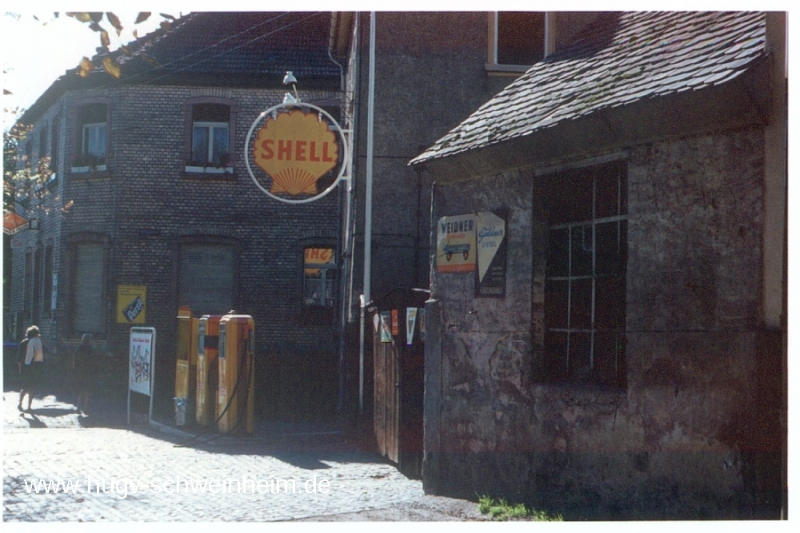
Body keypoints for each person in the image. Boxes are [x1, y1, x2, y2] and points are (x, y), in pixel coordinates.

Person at [18, 325, 44, 412]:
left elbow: (19, 358)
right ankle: (29, 406)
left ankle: (20, 403)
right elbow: (40, 356)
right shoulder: (38, 342)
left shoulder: (23, 343)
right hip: (34, 368)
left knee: (25, 387)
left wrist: (20, 369)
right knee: (32, 388)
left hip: (26, 368)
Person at [72, 334, 94, 413]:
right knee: (88, 391)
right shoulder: (91, 350)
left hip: (80, 372)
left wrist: (75, 371)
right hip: (88, 372)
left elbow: (75, 362)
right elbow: (93, 362)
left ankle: (78, 408)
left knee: (80, 391)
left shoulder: (78, 349)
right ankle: (86, 408)